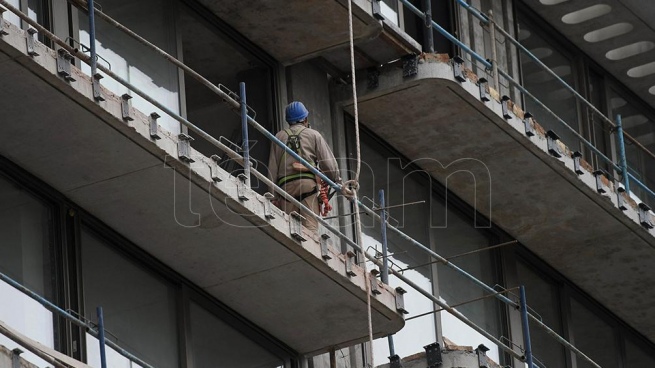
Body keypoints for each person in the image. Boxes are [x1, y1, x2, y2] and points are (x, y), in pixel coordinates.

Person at [268, 101, 341, 233]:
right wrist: (334, 179)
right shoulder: (313, 135)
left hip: (286, 188)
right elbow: (330, 166)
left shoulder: (279, 137)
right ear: (305, 118)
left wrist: (273, 197)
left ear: (288, 120)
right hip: (308, 186)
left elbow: (272, 169)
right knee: (310, 233)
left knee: (289, 230)